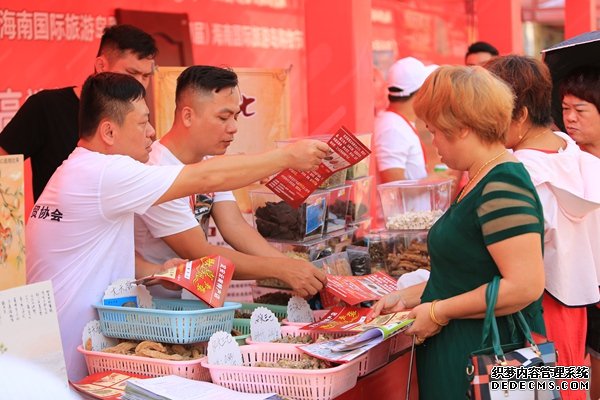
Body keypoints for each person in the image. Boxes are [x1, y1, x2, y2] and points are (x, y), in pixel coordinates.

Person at [26, 72, 330, 381]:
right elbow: (205, 179)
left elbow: (96, 256)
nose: (151, 131)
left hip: (73, 346)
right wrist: (285, 156)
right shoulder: (106, 172)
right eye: (142, 123)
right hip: (68, 354)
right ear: (108, 131)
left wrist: (154, 271)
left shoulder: (81, 170)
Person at [369, 65, 546, 399]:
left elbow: (525, 285)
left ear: (462, 128)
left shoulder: (502, 184)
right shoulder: (480, 177)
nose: (432, 141)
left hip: (486, 355)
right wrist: (408, 296)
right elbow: (468, 272)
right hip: (469, 348)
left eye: (434, 131)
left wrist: (438, 311)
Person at [134, 65, 326, 297]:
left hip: (195, 303)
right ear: (187, 116)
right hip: (153, 307)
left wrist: (300, 269)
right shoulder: (156, 169)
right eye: (223, 117)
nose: (234, 128)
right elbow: (200, 253)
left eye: (235, 116)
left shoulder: (209, 159)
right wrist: (282, 269)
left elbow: (235, 226)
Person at [485, 55, 600, 400]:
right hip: (572, 308)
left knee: (536, 394)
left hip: (532, 312)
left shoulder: (516, 173)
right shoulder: (574, 154)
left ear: (518, 114)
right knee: (567, 390)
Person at [0, 24, 157, 201]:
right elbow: (3, 163)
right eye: (132, 73)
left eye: (146, 76)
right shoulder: (46, 106)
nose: (140, 84)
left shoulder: (138, 113)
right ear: (101, 65)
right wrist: (10, 223)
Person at [559, 65, 600, 400]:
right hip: (568, 294)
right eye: (564, 109)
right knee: (565, 379)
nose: (570, 118)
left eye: (580, 110)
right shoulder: (561, 161)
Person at [373, 57, 435, 184]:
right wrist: (431, 181)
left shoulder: (395, 123)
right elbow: (393, 187)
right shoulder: (392, 128)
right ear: (419, 94)